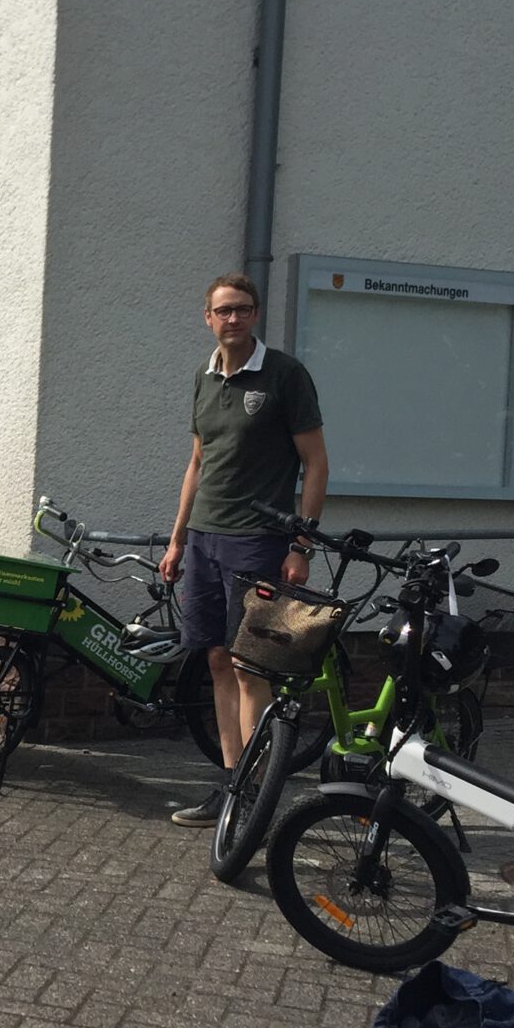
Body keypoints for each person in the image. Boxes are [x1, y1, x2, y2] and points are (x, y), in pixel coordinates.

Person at [158, 272, 328, 827]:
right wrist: (179, 538)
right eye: (223, 310)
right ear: (206, 317)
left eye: (244, 309)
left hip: (259, 541)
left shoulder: (285, 376)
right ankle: (233, 785)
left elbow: (317, 464)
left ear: (255, 316)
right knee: (212, 658)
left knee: (252, 666)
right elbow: (197, 463)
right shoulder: (204, 380)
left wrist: (301, 543)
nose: (234, 318)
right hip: (205, 540)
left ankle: (257, 790)